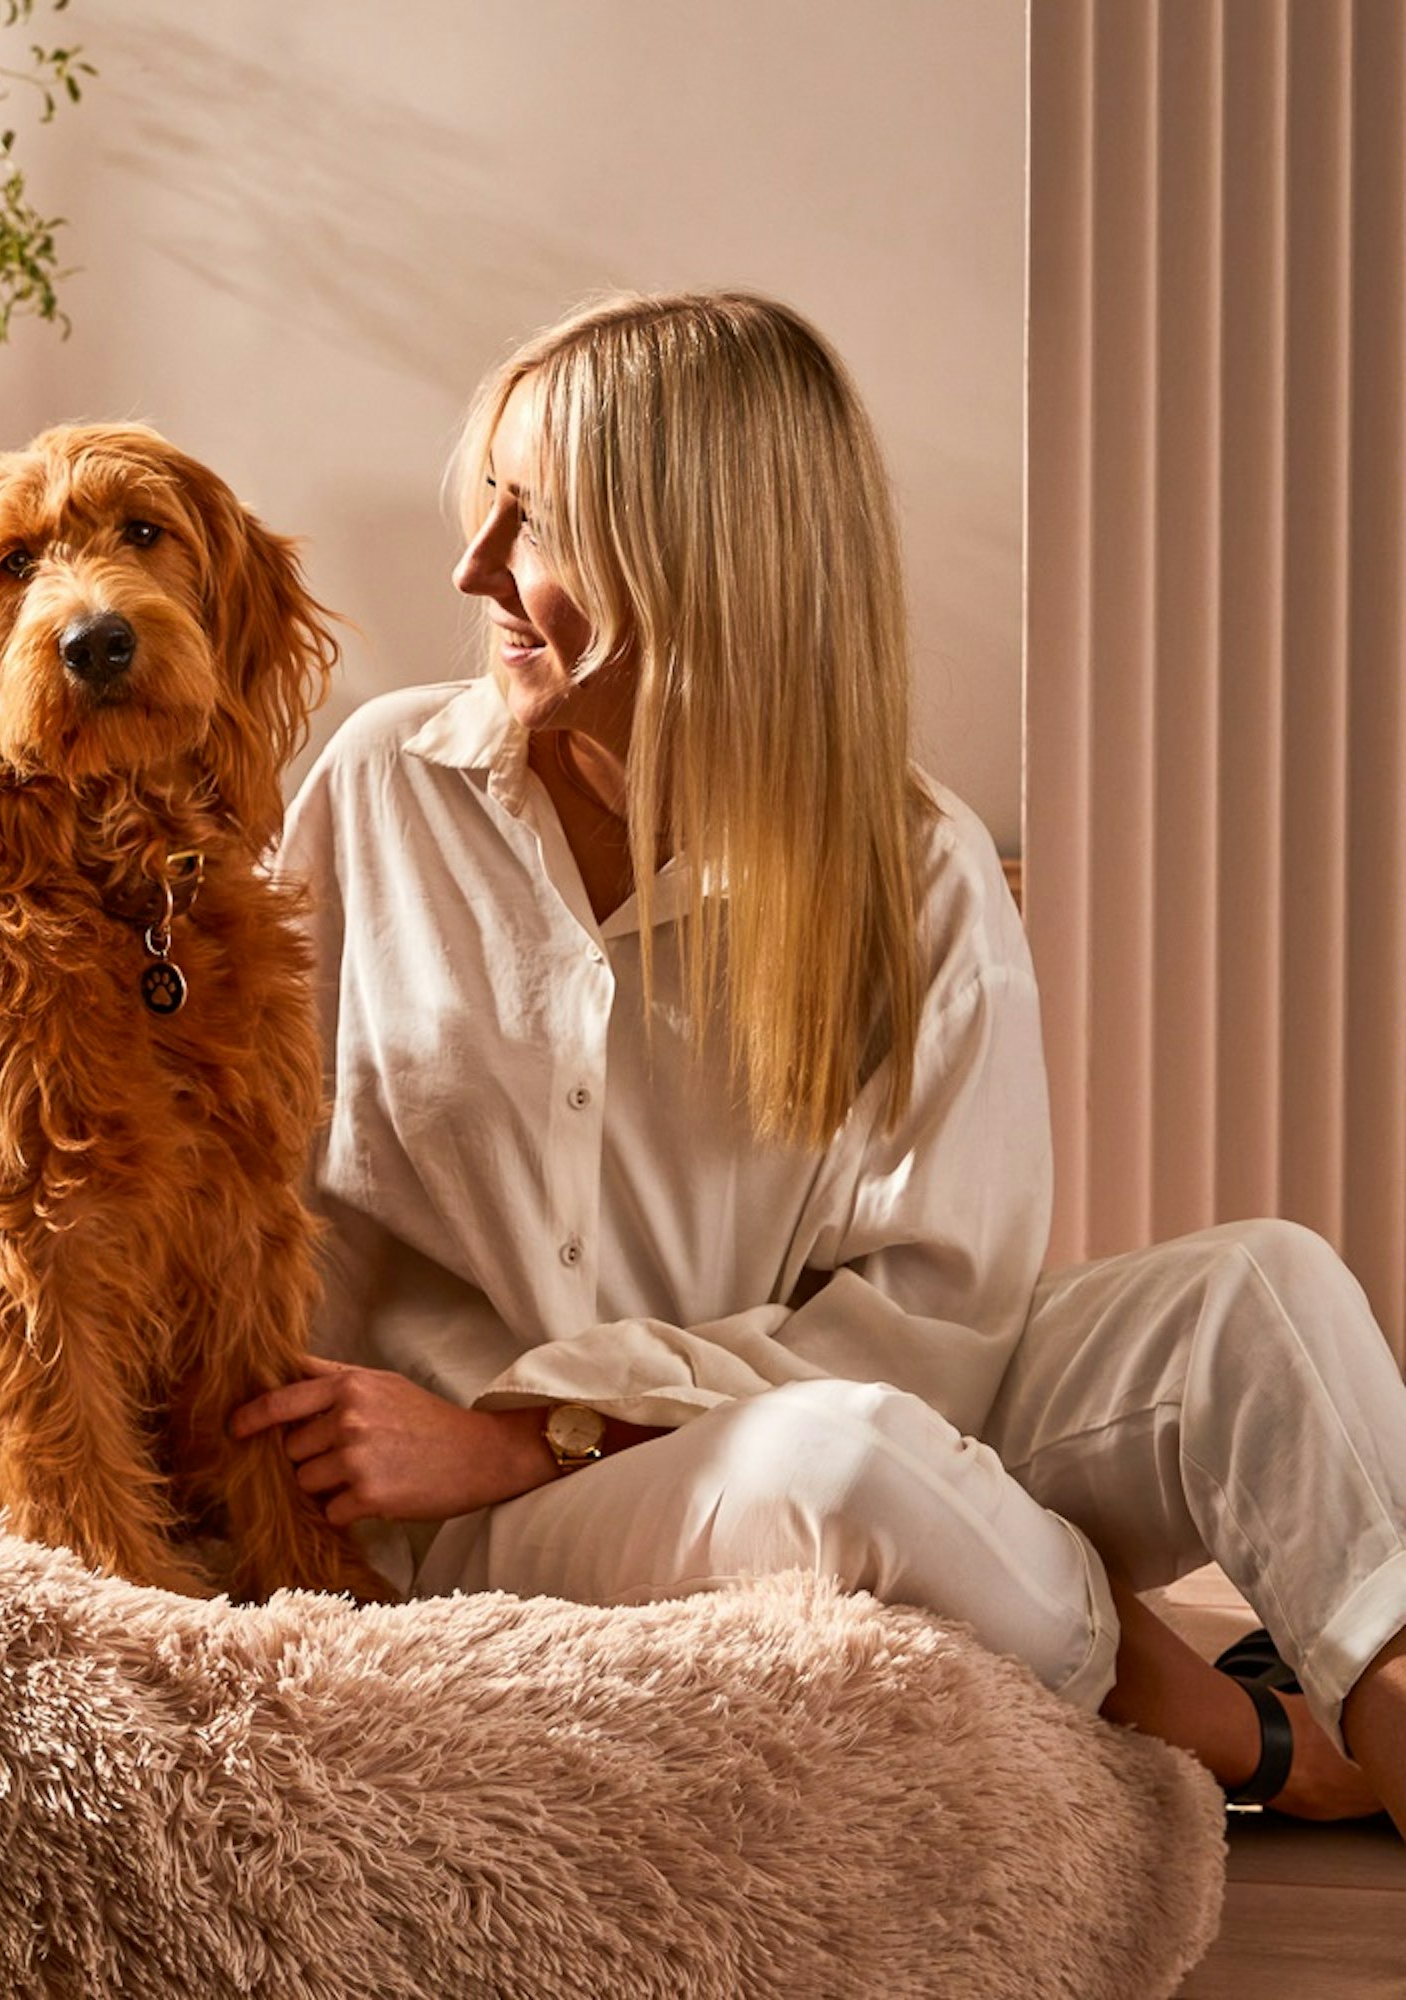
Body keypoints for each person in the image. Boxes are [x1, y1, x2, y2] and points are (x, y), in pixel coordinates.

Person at [230, 289, 1406, 1829]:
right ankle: (1244, 1740)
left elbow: (935, 1330)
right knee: (849, 1466)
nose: (471, 568)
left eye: (532, 522)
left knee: (1268, 1288)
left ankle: (1391, 1724)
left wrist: (538, 1425)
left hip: (699, 1425)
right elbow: (221, 1137)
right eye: (486, 506)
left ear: (701, 559)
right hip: (468, 1505)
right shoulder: (384, 789)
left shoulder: (912, 862)